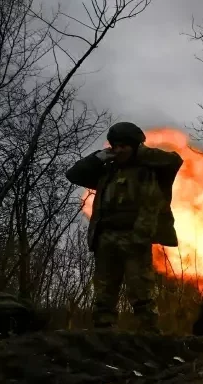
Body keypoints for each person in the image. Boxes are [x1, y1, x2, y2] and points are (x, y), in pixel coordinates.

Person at [66, 122, 183, 333]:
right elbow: (74, 174)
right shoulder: (107, 172)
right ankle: (103, 328)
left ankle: (149, 333)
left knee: (141, 289)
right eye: (115, 146)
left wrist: (140, 152)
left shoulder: (151, 170)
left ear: (135, 146)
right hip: (106, 237)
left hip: (136, 236)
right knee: (104, 289)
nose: (119, 150)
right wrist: (98, 158)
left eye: (124, 146)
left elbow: (174, 160)